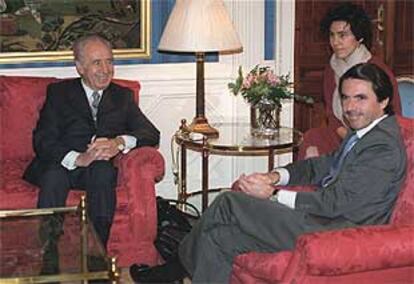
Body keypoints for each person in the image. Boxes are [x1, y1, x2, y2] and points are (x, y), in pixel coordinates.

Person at [129, 63, 407, 283]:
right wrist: (277, 176)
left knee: (229, 201)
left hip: (336, 230)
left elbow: (336, 203)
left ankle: (176, 266)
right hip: (324, 217)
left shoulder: (381, 146)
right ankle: (179, 266)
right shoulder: (364, 133)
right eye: (346, 98)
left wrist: (274, 196)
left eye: (361, 98)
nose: (349, 107)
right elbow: (321, 166)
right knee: (221, 238)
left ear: (383, 101)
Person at [23, 34, 160, 248]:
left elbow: (151, 133)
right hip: (63, 162)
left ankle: (97, 254)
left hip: (95, 169)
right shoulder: (59, 93)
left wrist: (119, 143)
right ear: (80, 67)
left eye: (109, 61)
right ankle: (49, 255)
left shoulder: (122, 96)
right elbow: (43, 139)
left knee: (103, 172)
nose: (106, 69)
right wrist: (78, 158)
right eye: (97, 63)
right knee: (53, 177)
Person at [298, 2, 402, 160]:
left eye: (342, 35)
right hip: (341, 135)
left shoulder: (377, 70)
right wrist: (346, 136)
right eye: (332, 35)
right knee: (312, 138)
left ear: (359, 37)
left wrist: (359, 140)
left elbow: (393, 116)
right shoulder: (331, 68)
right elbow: (331, 115)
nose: (336, 42)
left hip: (374, 139)